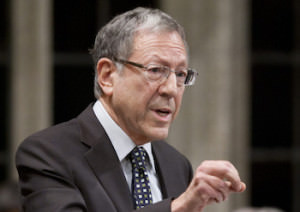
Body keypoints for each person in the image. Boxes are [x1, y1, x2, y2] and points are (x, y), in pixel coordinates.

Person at [15, 7, 246, 212]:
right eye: (156, 70)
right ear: (107, 76)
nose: (171, 89)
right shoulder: (48, 154)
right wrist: (177, 208)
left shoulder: (176, 164)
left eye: (180, 74)